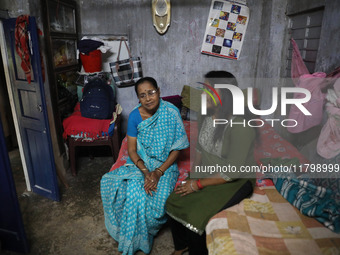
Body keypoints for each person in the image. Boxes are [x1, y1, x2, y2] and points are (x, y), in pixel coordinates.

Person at [166, 71, 257, 255]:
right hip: (208, 171)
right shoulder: (206, 115)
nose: (202, 94)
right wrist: (193, 176)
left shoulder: (241, 126)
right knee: (172, 202)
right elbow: (200, 148)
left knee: (196, 218)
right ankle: (181, 245)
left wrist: (198, 185)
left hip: (235, 181)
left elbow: (232, 172)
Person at [101, 77, 189, 255]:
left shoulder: (171, 113)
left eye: (151, 92)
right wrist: (146, 172)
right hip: (142, 163)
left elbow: (177, 149)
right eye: (142, 95)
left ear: (159, 91)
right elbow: (132, 150)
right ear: (138, 99)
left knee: (158, 205)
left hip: (165, 166)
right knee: (130, 192)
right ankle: (134, 238)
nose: (148, 98)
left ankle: (145, 233)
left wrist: (158, 172)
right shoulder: (134, 115)